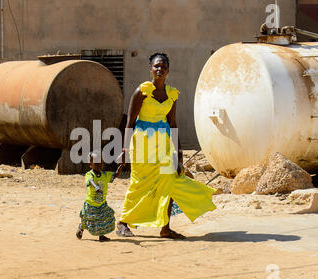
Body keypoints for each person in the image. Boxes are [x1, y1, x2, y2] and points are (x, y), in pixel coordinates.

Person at [116, 53, 217, 239]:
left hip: (163, 145)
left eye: (163, 67)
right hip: (142, 145)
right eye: (156, 66)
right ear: (151, 69)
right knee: (140, 184)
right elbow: (129, 123)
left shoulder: (172, 94)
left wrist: (178, 154)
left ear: (168, 70)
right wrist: (125, 150)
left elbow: (173, 124)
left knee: (169, 182)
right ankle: (123, 222)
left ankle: (165, 228)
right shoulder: (142, 91)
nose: (159, 69)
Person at [76, 151, 124, 242]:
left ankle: (101, 236)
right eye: (96, 162)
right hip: (90, 204)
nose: (99, 164)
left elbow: (115, 175)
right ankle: (81, 227)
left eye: (101, 162)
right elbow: (90, 181)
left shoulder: (105, 175)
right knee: (87, 219)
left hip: (101, 203)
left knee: (104, 218)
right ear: (90, 164)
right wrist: (96, 186)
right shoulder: (89, 174)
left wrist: (120, 167)